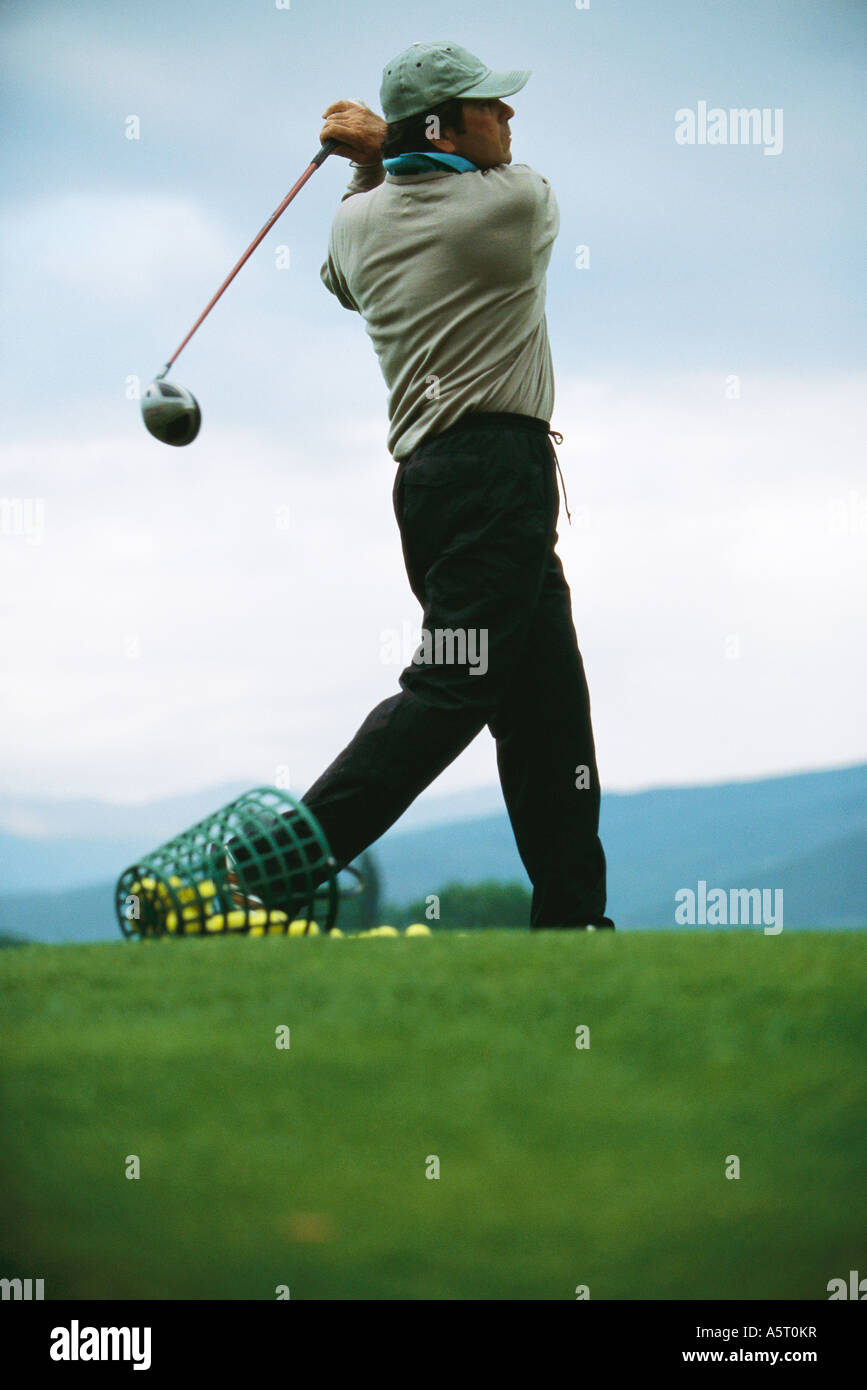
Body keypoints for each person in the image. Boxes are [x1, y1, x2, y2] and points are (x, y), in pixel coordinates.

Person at [291, 42, 613, 929]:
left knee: (549, 712)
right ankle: (276, 864)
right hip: (496, 478)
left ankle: (574, 923)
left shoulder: (354, 227)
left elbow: (342, 277)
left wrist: (370, 166)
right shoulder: (511, 205)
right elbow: (490, 182)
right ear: (443, 124)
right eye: (491, 106)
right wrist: (377, 153)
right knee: (450, 685)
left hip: (430, 485)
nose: (509, 120)